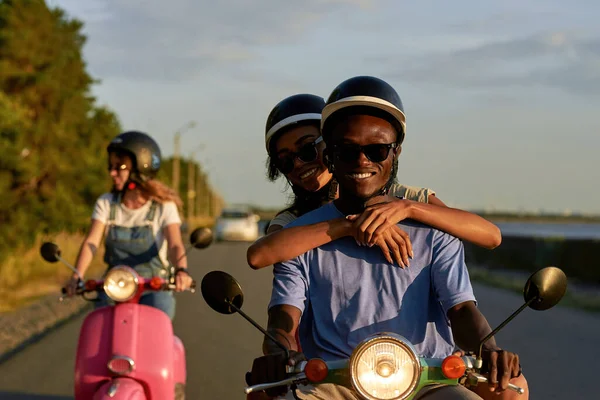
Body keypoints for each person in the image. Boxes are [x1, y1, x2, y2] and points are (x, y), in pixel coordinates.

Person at [247, 76, 528, 400]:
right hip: (336, 381)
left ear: (395, 152)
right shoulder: (297, 234)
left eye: (376, 149)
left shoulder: (428, 221)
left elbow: (462, 305)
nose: (362, 160)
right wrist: (277, 350)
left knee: (511, 391)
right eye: (348, 150)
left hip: (425, 378)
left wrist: (489, 348)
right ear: (333, 154)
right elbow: (281, 309)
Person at [247, 94, 502, 270]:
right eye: (286, 161)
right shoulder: (292, 220)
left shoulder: (405, 196)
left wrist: (407, 208)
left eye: (307, 151)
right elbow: (260, 255)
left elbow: (491, 236)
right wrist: (350, 224)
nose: (300, 164)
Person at [64, 131, 193, 320]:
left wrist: (181, 270)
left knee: (159, 325)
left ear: (140, 167)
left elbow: (175, 244)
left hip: (153, 286)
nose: (112, 172)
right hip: (114, 285)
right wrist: (77, 275)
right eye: (111, 166)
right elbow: (91, 242)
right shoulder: (107, 203)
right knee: (98, 331)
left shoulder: (163, 206)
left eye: (119, 167)